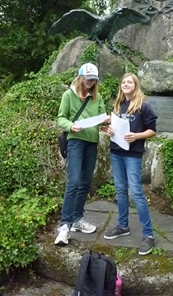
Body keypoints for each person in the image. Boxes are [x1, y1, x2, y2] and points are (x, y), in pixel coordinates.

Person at [103, 73, 157, 255]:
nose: (126, 84)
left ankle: (148, 235)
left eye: (129, 82)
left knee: (136, 192)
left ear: (136, 85)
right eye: (123, 81)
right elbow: (109, 129)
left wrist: (137, 136)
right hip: (116, 152)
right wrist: (108, 130)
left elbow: (152, 131)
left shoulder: (143, 106)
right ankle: (123, 226)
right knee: (120, 190)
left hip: (132, 155)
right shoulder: (118, 106)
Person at [54, 63, 107, 246]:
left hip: (91, 142)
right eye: (88, 79)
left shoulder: (97, 97)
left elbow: (101, 118)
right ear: (80, 77)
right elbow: (61, 117)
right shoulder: (68, 95)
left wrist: (106, 121)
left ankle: (77, 219)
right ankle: (64, 226)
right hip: (75, 141)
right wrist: (70, 126)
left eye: (94, 80)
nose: (91, 83)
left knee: (85, 182)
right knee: (74, 181)